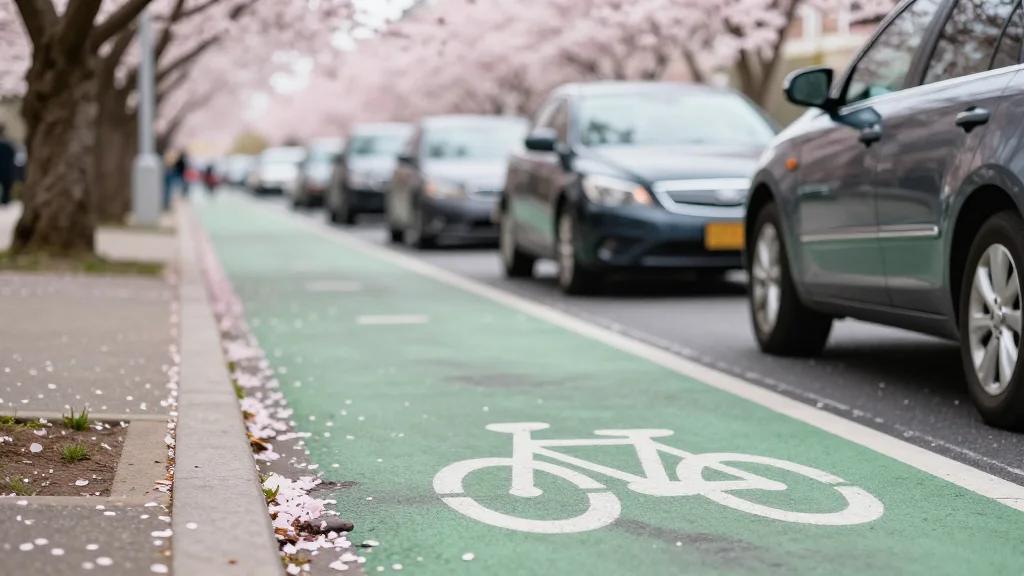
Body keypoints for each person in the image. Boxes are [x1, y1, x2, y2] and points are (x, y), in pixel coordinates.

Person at [0, 123, 16, 205]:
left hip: (5, 169)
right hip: (6, 169)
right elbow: (13, 155)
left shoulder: (8, 144)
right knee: (6, 186)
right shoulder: (8, 144)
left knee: (6, 186)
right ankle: (5, 201)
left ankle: (5, 200)